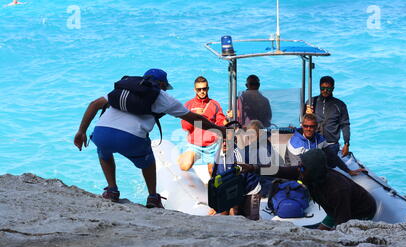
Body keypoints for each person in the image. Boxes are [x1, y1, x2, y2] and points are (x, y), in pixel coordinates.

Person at [74, 68, 226, 209]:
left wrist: (81, 131)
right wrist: (220, 130)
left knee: (103, 151)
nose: (165, 90)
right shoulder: (163, 97)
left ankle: (112, 190)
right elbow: (193, 118)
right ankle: (153, 197)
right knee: (148, 160)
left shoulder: (125, 89)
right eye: (165, 87)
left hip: (102, 133)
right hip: (130, 139)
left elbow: (94, 104)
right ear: (161, 84)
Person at [240, 149, 377, 230]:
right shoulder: (307, 173)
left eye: (302, 166)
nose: (299, 168)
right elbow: (279, 170)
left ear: (313, 170)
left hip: (361, 211)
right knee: (318, 234)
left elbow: (344, 225)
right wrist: (253, 168)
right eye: (299, 165)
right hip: (334, 210)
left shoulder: (337, 190)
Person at [287, 113, 365, 176]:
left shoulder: (320, 140)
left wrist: (348, 171)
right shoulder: (295, 144)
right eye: (305, 126)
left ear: (316, 127)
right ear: (302, 126)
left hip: (312, 169)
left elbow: (333, 157)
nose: (308, 129)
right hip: (294, 171)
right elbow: (296, 169)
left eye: (311, 126)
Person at [178, 76, 227, 174]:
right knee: (184, 166)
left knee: (212, 172)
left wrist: (227, 119)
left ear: (208, 88)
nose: (202, 91)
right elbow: (185, 127)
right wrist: (194, 115)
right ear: (194, 90)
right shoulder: (188, 105)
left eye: (204, 88)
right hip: (194, 145)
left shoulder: (215, 104)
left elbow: (221, 123)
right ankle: (181, 157)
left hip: (212, 146)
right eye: (199, 89)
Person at [305, 76, 351, 157]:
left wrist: (346, 144)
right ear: (319, 87)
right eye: (322, 88)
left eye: (328, 89)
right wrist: (306, 114)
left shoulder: (340, 105)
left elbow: (345, 125)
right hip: (314, 142)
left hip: (331, 144)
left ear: (333, 88)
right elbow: (303, 121)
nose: (325, 91)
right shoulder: (311, 102)